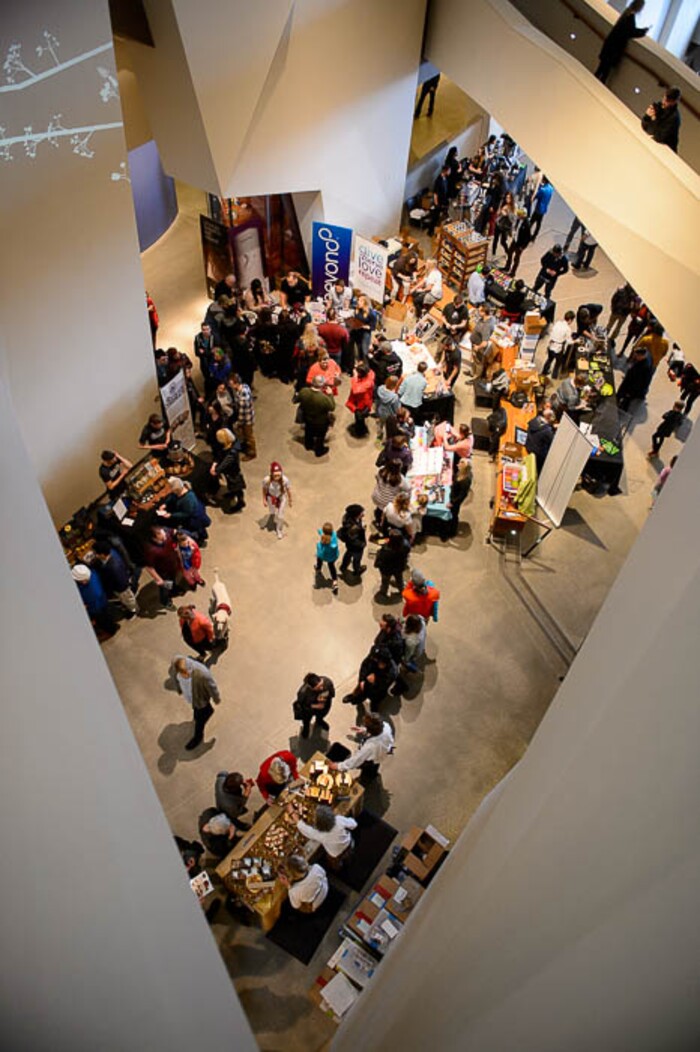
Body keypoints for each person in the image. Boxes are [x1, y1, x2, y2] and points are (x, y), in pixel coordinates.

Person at [169, 654, 221, 750]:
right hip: (193, 699)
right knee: (198, 710)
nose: (184, 676)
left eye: (185, 674)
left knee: (199, 721)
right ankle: (208, 711)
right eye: (181, 674)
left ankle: (198, 737)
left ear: (189, 669)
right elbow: (175, 678)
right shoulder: (177, 665)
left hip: (201, 699)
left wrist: (216, 698)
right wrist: (179, 689)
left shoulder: (202, 673)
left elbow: (211, 686)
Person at [595, 1, 648, 84]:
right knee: (605, 72)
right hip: (615, 46)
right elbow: (631, 32)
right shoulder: (630, 16)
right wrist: (643, 31)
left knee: (601, 68)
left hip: (611, 42)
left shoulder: (626, 13)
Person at [329, 714, 394, 777]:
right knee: (374, 767)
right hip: (382, 752)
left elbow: (357, 760)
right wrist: (364, 730)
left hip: (372, 758)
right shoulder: (386, 726)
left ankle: (367, 778)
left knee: (368, 771)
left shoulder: (370, 747)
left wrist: (338, 766)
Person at [343, 646, 398, 713]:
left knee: (375, 700)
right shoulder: (373, 657)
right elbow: (364, 666)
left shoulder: (392, 671)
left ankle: (374, 707)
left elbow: (384, 685)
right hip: (365, 683)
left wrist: (376, 680)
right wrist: (362, 680)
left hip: (378, 690)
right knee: (359, 693)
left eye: (376, 659)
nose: (373, 659)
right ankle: (353, 698)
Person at [92, 539, 138, 617]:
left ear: (102, 554)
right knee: (126, 599)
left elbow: (120, 581)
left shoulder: (114, 567)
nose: (96, 555)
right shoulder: (112, 553)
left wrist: (112, 590)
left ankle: (134, 610)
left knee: (128, 600)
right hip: (120, 585)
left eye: (96, 553)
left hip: (121, 588)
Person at [158, 478, 210, 544]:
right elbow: (172, 496)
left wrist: (171, 515)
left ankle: (200, 539)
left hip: (194, 518)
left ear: (177, 490)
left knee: (197, 529)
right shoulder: (180, 491)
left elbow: (186, 514)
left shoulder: (189, 499)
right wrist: (165, 504)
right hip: (190, 515)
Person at [72, 563, 118, 637]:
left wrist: (86, 607)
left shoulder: (92, 591)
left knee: (104, 620)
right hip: (102, 601)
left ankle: (111, 631)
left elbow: (93, 605)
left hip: (97, 608)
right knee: (107, 616)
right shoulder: (93, 573)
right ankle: (112, 626)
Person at [143, 525, 182, 609]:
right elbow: (149, 567)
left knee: (173, 579)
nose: (164, 533)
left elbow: (174, 531)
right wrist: (158, 579)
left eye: (162, 530)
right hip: (163, 573)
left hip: (173, 565)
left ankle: (174, 589)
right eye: (159, 533)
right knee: (165, 588)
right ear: (154, 537)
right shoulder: (150, 550)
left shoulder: (166, 534)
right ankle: (165, 601)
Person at [209, 428, 246, 513]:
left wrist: (216, 470)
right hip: (229, 472)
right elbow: (219, 455)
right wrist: (215, 463)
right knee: (231, 485)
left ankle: (240, 502)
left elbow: (225, 462)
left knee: (237, 487)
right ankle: (232, 493)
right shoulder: (225, 446)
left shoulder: (232, 451)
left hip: (233, 472)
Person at [299, 374, 336, 457]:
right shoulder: (324, 398)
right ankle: (319, 450)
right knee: (320, 436)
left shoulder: (303, 391)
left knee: (308, 431)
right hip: (320, 422)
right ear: (322, 386)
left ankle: (308, 445)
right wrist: (330, 394)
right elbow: (332, 407)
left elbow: (297, 400)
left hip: (307, 418)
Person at [293, 673, 335, 738]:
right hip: (309, 709)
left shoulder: (327, 682)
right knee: (306, 720)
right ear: (310, 687)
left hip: (324, 706)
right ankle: (306, 728)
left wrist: (325, 699)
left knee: (321, 715)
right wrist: (314, 706)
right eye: (318, 687)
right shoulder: (303, 692)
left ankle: (319, 721)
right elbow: (301, 705)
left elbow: (332, 693)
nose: (321, 688)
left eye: (322, 685)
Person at [641, 86, 681, 152]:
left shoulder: (674, 118)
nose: (664, 102)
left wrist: (654, 118)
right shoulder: (659, 106)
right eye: (664, 99)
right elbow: (645, 127)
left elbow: (659, 137)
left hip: (666, 150)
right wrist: (647, 117)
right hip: (655, 145)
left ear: (674, 102)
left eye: (667, 101)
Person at [375, 528, 411, 598]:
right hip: (399, 567)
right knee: (399, 579)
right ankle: (401, 590)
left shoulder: (386, 549)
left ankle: (383, 592)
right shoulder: (405, 544)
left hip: (386, 569)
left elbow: (380, 557)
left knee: (385, 581)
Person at [617, 346, 654, 412]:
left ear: (641, 356)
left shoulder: (644, 367)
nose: (635, 357)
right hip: (630, 381)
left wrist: (630, 392)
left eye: (636, 356)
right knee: (621, 395)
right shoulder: (648, 354)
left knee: (626, 398)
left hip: (632, 386)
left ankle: (622, 409)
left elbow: (639, 382)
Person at [262, 461, 292, 539]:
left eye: (279, 475)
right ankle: (272, 514)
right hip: (271, 497)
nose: (277, 477)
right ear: (272, 474)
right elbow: (264, 489)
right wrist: (264, 499)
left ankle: (279, 530)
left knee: (280, 516)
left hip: (281, 497)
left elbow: (288, 490)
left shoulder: (285, 480)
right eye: (275, 475)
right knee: (272, 512)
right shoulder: (266, 480)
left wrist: (290, 500)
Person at [230, 374, 256, 460]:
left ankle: (252, 453)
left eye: (231, 384)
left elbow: (241, 414)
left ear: (236, 383)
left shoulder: (243, 397)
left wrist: (237, 424)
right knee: (246, 435)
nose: (230, 386)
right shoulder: (244, 386)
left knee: (249, 437)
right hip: (249, 416)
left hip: (247, 420)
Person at [345, 361, 375, 437]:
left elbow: (355, 390)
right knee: (361, 418)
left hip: (361, 404)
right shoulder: (370, 374)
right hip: (365, 401)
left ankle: (360, 432)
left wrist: (355, 377)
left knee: (359, 419)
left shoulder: (367, 383)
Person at [542, 311, 575, 378]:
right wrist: (576, 341)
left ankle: (544, 372)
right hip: (558, 348)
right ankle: (554, 375)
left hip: (551, 345)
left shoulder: (558, 323)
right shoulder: (567, 329)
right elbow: (569, 341)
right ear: (570, 320)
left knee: (549, 359)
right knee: (558, 363)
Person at [446, 458, 472, 538]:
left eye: (461, 463)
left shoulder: (465, 480)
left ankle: (452, 531)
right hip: (453, 494)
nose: (458, 464)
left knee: (454, 515)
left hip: (455, 500)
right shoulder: (460, 473)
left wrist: (453, 503)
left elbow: (462, 495)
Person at [338, 504, 367, 578]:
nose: (363, 514)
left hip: (349, 546)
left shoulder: (348, 518)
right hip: (356, 548)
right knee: (357, 559)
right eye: (361, 513)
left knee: (348, 554)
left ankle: (343, 566)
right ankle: (357, 570)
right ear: (356, 515)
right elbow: (354, 541)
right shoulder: (353, 530)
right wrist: (362, 545)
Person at [525, 408, 556, 474]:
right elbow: (554, 442)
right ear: (549, 418)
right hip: (538, 456)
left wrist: (552, 426)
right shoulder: (547, 431)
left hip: (528, 446)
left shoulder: (536, 419)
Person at [349, 295, 377, 365]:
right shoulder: (357, 309)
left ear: (365, 303)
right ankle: (359, 361)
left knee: (364, 349)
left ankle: (365, 364)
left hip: (365, 333)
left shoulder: (371, 314)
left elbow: (373, 327)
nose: (358, 302)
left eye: (360, 301)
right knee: (358, 347)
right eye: (358, 300)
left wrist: (364, 326)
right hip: (357, 331)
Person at [315, 521, 340, 594]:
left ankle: (318, 569)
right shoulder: (334, 535)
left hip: (324, 556)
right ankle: (335, 582)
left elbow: (320, 549)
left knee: (319, 559)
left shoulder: (323, 539)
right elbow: (324, 533)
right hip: (333, 556)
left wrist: (318, 545)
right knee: (332, 567)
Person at [375, 375, 401, 439]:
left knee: (380, 424)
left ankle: (379, 433)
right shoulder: (394, 397)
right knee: (388, 428)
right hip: (389, 415)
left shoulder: (380, 388)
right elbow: (396, 409)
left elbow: (377, 401)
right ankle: (385, 439)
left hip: (380, 410)